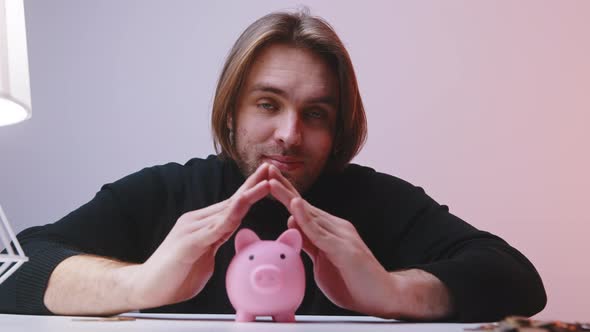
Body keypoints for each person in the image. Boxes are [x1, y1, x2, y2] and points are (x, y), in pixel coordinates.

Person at [0, 10, 546, 322]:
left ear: (337, 131)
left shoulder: (381, 203)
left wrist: (390, 291)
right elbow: (12, 267)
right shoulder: (162, 193)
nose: (289, 133)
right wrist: (138, 283)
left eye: (315, 113)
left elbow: (516, 279)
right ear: (232, 114)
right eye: (267, 104)